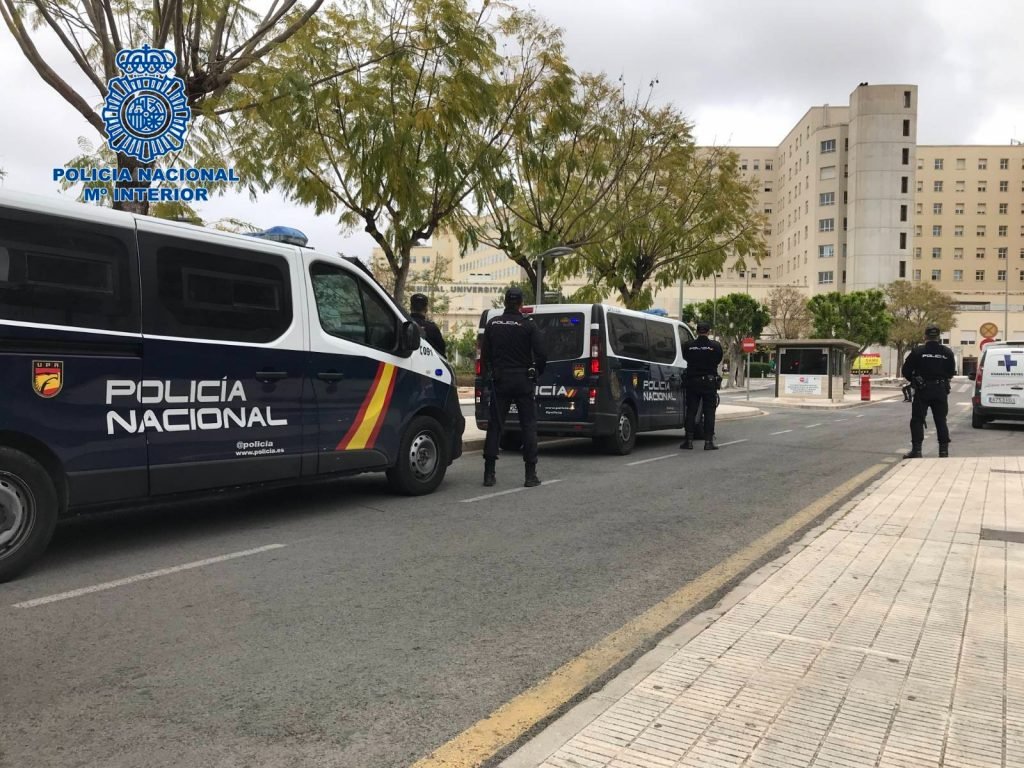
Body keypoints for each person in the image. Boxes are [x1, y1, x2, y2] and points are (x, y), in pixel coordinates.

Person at [481, 287, 547, 487]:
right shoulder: (528, 325)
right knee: (528, 426)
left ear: (504, 302)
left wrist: (489, 376)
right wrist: (536, 372)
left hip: (500, 381)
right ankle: (530, 475)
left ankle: (489, 474)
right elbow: (542, 353)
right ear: (520, 304)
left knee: (495, 427)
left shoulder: (493, 324)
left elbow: (484, 356)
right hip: (522, 380)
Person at [901, 324, 955, 458]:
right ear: (939, 337)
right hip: (940, 389)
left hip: (922, 390)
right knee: (941, 420)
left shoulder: (918, 351)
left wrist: (915, 379)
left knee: (917, 420)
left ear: (925, 336)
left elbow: (906, 371)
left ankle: (917, 451)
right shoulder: (947, 352)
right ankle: (943, 451)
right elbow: (950, 372)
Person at [680, 321, 724, 451]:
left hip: (692, 381)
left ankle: (688, 441)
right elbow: (718, 359)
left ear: (697, 331)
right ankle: (708, 442)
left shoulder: (688, 346)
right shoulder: (715, 346)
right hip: (709, 382)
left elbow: (685, 358)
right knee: (709, 412)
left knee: (691, 411)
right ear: (708, 332)